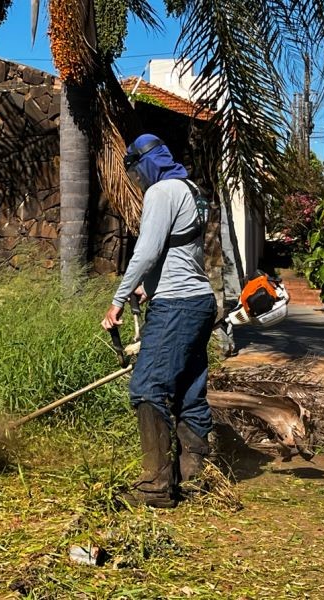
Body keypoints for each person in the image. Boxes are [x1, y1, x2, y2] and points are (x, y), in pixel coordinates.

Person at [101, 134, 217, 508]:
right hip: (199, 301)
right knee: (188, 389)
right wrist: (150, 288)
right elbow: (182, 250)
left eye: (136, 172)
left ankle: (155, 487)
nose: (139, 181)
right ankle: (195, 476)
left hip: (178, 305)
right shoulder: (191, 188)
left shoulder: (161, 192)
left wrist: (118, 299)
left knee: (147, 387)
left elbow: (147, 251)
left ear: (145, 163)